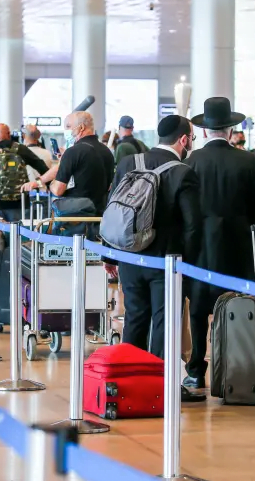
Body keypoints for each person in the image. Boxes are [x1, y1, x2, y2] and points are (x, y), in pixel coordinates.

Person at [105, 115, 204, 402]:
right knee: (164, 321)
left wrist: (110, 253)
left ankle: (127, 383)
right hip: (166, 261)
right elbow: (192, 225)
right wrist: (190, 262)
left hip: (130, 258)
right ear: (183, 139)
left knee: (135, 317)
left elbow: (112, 207)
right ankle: (160, 387)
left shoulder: (128, 164)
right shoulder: (183, 172)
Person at [183, 97, 255, 389]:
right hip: (237, 246)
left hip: (200, 248)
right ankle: (234, 368)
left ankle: (196, 368)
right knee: (237, 306)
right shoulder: (247, 160)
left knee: (198, 310)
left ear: (204, 131)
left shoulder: (191, 161)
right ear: (231, 130)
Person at [22, 112, 114, 216]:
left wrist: (50, 184)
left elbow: (58, 190)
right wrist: (40, 180)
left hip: (76, 218)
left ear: (82, 127)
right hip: (101, 215)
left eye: (68, 126)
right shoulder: (107, 152)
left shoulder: (73, 152)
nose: (66, 131)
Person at [0, 123, 50, 222]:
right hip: (21, 203)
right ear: (9, 133)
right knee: (20, 233)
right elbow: (42, 168)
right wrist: (45, 185)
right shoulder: (21, 149)